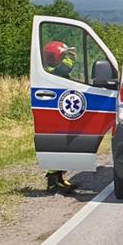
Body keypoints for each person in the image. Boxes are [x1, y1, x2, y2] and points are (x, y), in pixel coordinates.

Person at [41, 40, 80, 193]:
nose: (64, 59)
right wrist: (70, 56)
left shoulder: (50, 69)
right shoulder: (52, 71)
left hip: (58, 112)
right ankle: (53, 181)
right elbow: (65, 68)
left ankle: (58, 178)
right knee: (58, 144)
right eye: (62, 56)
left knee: (62, 145)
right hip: (54, 113)